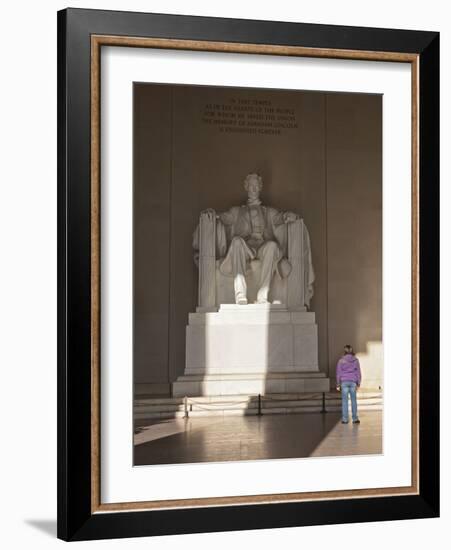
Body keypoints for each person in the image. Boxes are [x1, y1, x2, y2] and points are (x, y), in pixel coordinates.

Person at [194, 173, 315, 305]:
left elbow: (281, 218)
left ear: (260, 187)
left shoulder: (268, 212)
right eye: (251, 186)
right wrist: (212, 213)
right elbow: (223, 217)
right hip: (245, 247)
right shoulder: (236, 212)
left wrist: (289, 216)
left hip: (263, 247)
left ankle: (263, 294)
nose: (253, 189)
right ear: (246, 187)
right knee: (236, 242)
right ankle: (240, 293)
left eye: (256, 186)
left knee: (272, 246)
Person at [336, 345, 362, 424]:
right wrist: (358, 383)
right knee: (354, 401)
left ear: (345, 351)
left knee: (344, 401)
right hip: (353, 382)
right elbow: (358, 372)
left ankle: (345, 419)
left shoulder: (341, 361)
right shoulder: (356, 360)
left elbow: (338, 373)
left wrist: (338, 384)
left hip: (344, 382)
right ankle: (355, 419)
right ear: (351, 351)